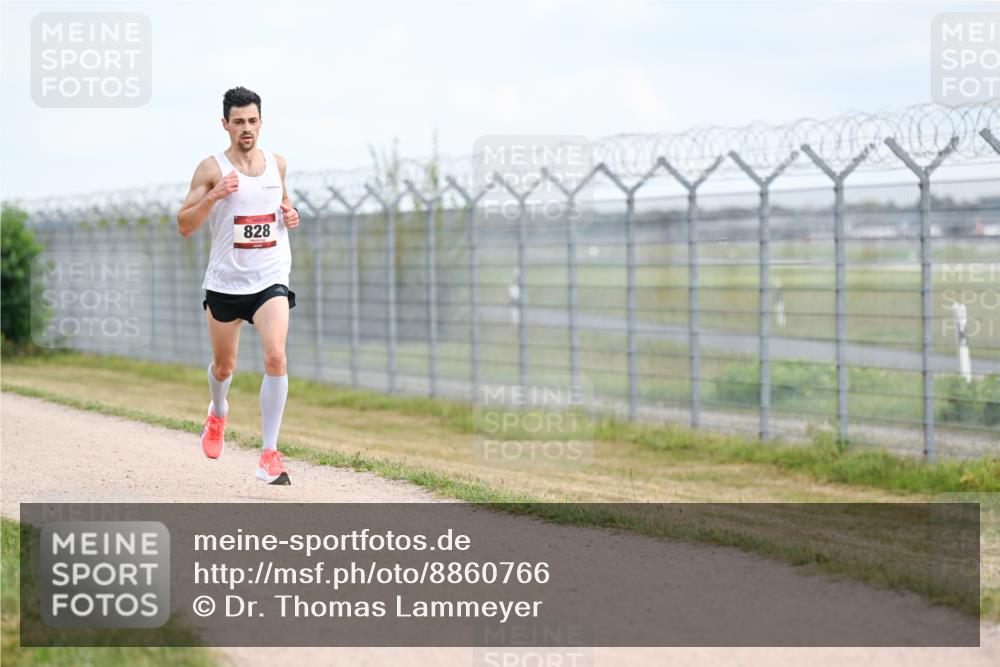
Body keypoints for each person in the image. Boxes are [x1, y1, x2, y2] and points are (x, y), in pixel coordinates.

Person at [176, 86, 299, 485]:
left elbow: (284, 206)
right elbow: (185, 225)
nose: (247, 128)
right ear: (225, 124)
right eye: (239, 121)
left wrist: (291, 214)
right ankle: (217, 411)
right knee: (224, 365)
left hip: (270, 277)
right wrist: (214, 194)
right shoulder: (210, 168)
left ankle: (268, 454)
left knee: (276, 356)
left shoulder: (276, 164)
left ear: (261, 122)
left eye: (253, 121)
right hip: (226, 283)